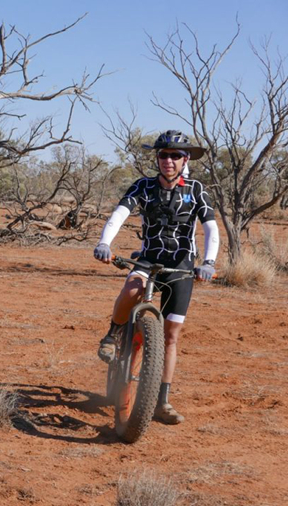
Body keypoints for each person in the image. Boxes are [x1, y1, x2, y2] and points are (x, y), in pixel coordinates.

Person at [93, 130, 219, 424]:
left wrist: (209, 263)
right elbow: (120, 213)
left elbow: (211, 227)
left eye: (175, 155)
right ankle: (112, 334)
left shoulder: (196, 190)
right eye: (163, 155)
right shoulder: (143, 186)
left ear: (185, 159)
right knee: (131, 288)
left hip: (182, 265)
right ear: (157, 158)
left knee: (171, 335)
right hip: (149, 257)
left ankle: (161, 401)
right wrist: (104, 243)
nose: (168, 160)